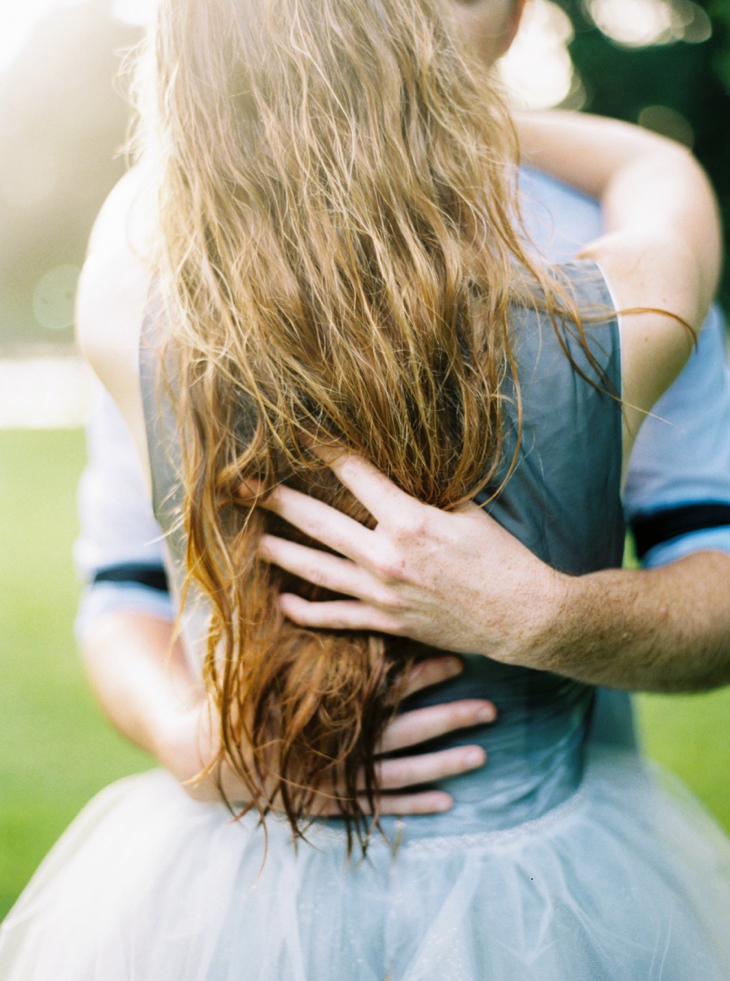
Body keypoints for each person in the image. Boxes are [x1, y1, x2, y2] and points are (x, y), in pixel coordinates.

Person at [2, 1, 730, 979]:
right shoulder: (615, 302)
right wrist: (191, 741)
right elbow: (663, 174)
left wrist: (543, 614)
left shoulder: (136, 301)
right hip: (546, 888)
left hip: (245, 895)